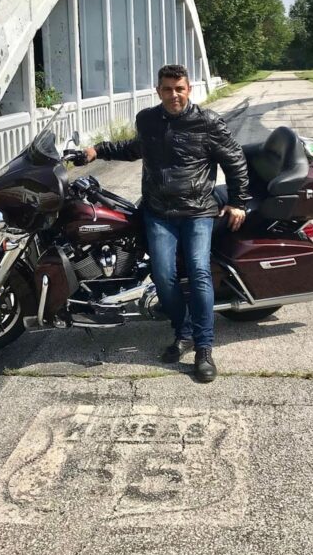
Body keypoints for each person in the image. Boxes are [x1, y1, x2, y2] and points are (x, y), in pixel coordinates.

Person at [82, 64, 249, 383]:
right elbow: (133, 149)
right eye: (167, 89)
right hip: (158, 211)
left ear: (190, 89)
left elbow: (235, 160)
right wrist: (97, 150)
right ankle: (182, 330)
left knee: (199, 271)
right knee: (162, 274)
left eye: (180, 88)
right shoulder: (147, 119)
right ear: (158, 91)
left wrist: (239, 202)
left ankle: (203, 349)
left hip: (198, 209)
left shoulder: (208, 122)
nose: (174, 94)